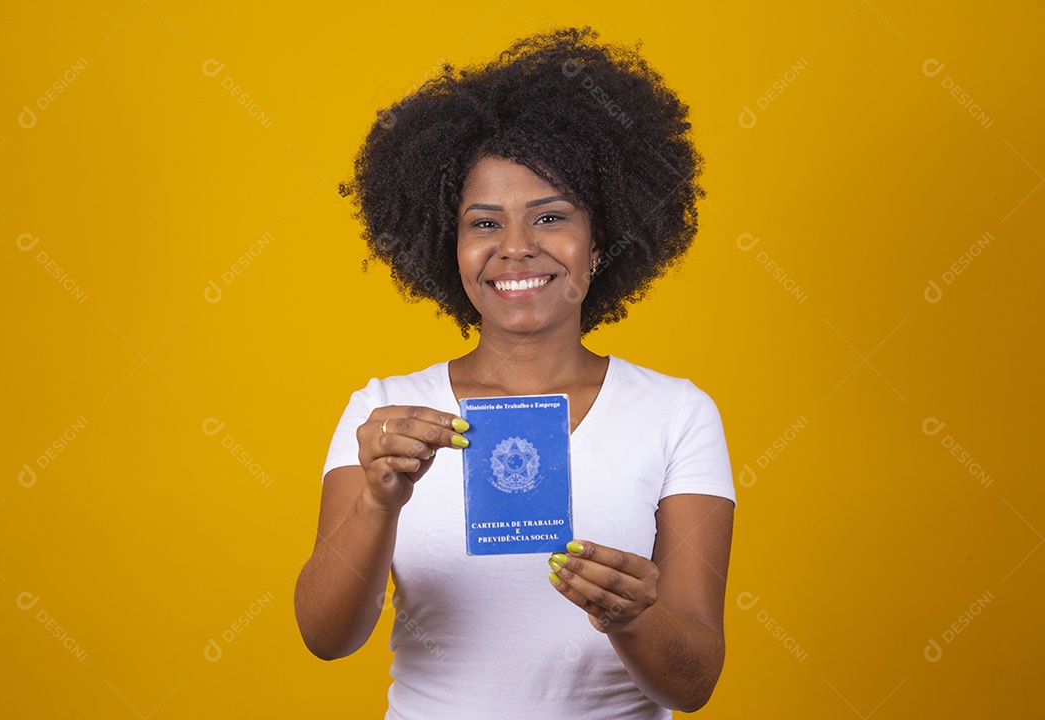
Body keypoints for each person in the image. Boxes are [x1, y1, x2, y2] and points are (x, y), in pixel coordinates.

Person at [294, 27, 735, 719]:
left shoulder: (677, 414)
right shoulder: (384, 412)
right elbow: (325, 638)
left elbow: (693, 682)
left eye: (551, 217)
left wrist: (631, 616)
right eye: (484, 223)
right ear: (449, 247)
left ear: (602, 240)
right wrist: (379, 500)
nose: (518, 249)